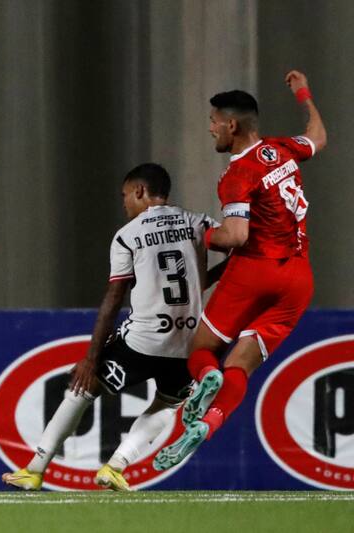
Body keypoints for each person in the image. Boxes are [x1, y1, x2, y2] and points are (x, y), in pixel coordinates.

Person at [2, 163, 222, 491]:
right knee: (169, 403)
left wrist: (91, 358)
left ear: (139, 192)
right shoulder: (199, 222)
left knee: (82, 388)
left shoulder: (128, 235)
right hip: (189, 342)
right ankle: (117, 466)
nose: (124, 204)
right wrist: (207, 280)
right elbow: (242, 246)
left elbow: (114, 298)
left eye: (124, 196)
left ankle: (35, 469)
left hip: (142, 341)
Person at [154, 70, 327, 471]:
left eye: (214, 122)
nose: (210, 129)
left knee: (200, 351)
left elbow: (234, 235)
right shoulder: (282, 149)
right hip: (298, 279)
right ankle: (208, 425)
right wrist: (304, 93)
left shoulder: (238, 174)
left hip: (255, 272)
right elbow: (318, 136)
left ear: (232, 125)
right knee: (241, 366)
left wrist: (195, 233)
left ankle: (205, 379)